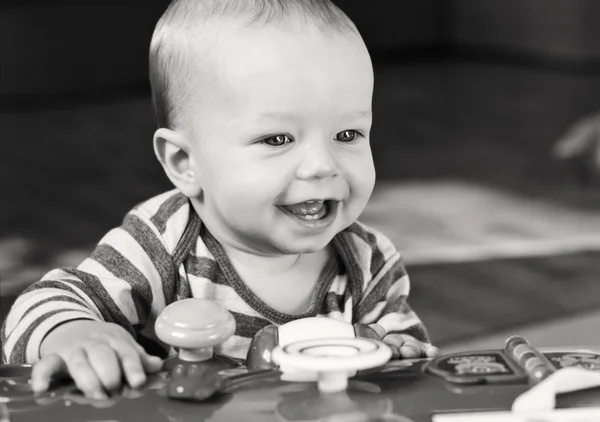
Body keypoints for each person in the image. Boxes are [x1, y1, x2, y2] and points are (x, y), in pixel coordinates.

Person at [1, 0, 439, 400]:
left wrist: (399, 354)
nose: (323, 166)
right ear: (184, 162)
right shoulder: (161, 243)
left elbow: (411, 371)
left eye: (347, 134)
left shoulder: (368, 261)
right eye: (277, 138)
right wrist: (74, 333)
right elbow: (42, 304)